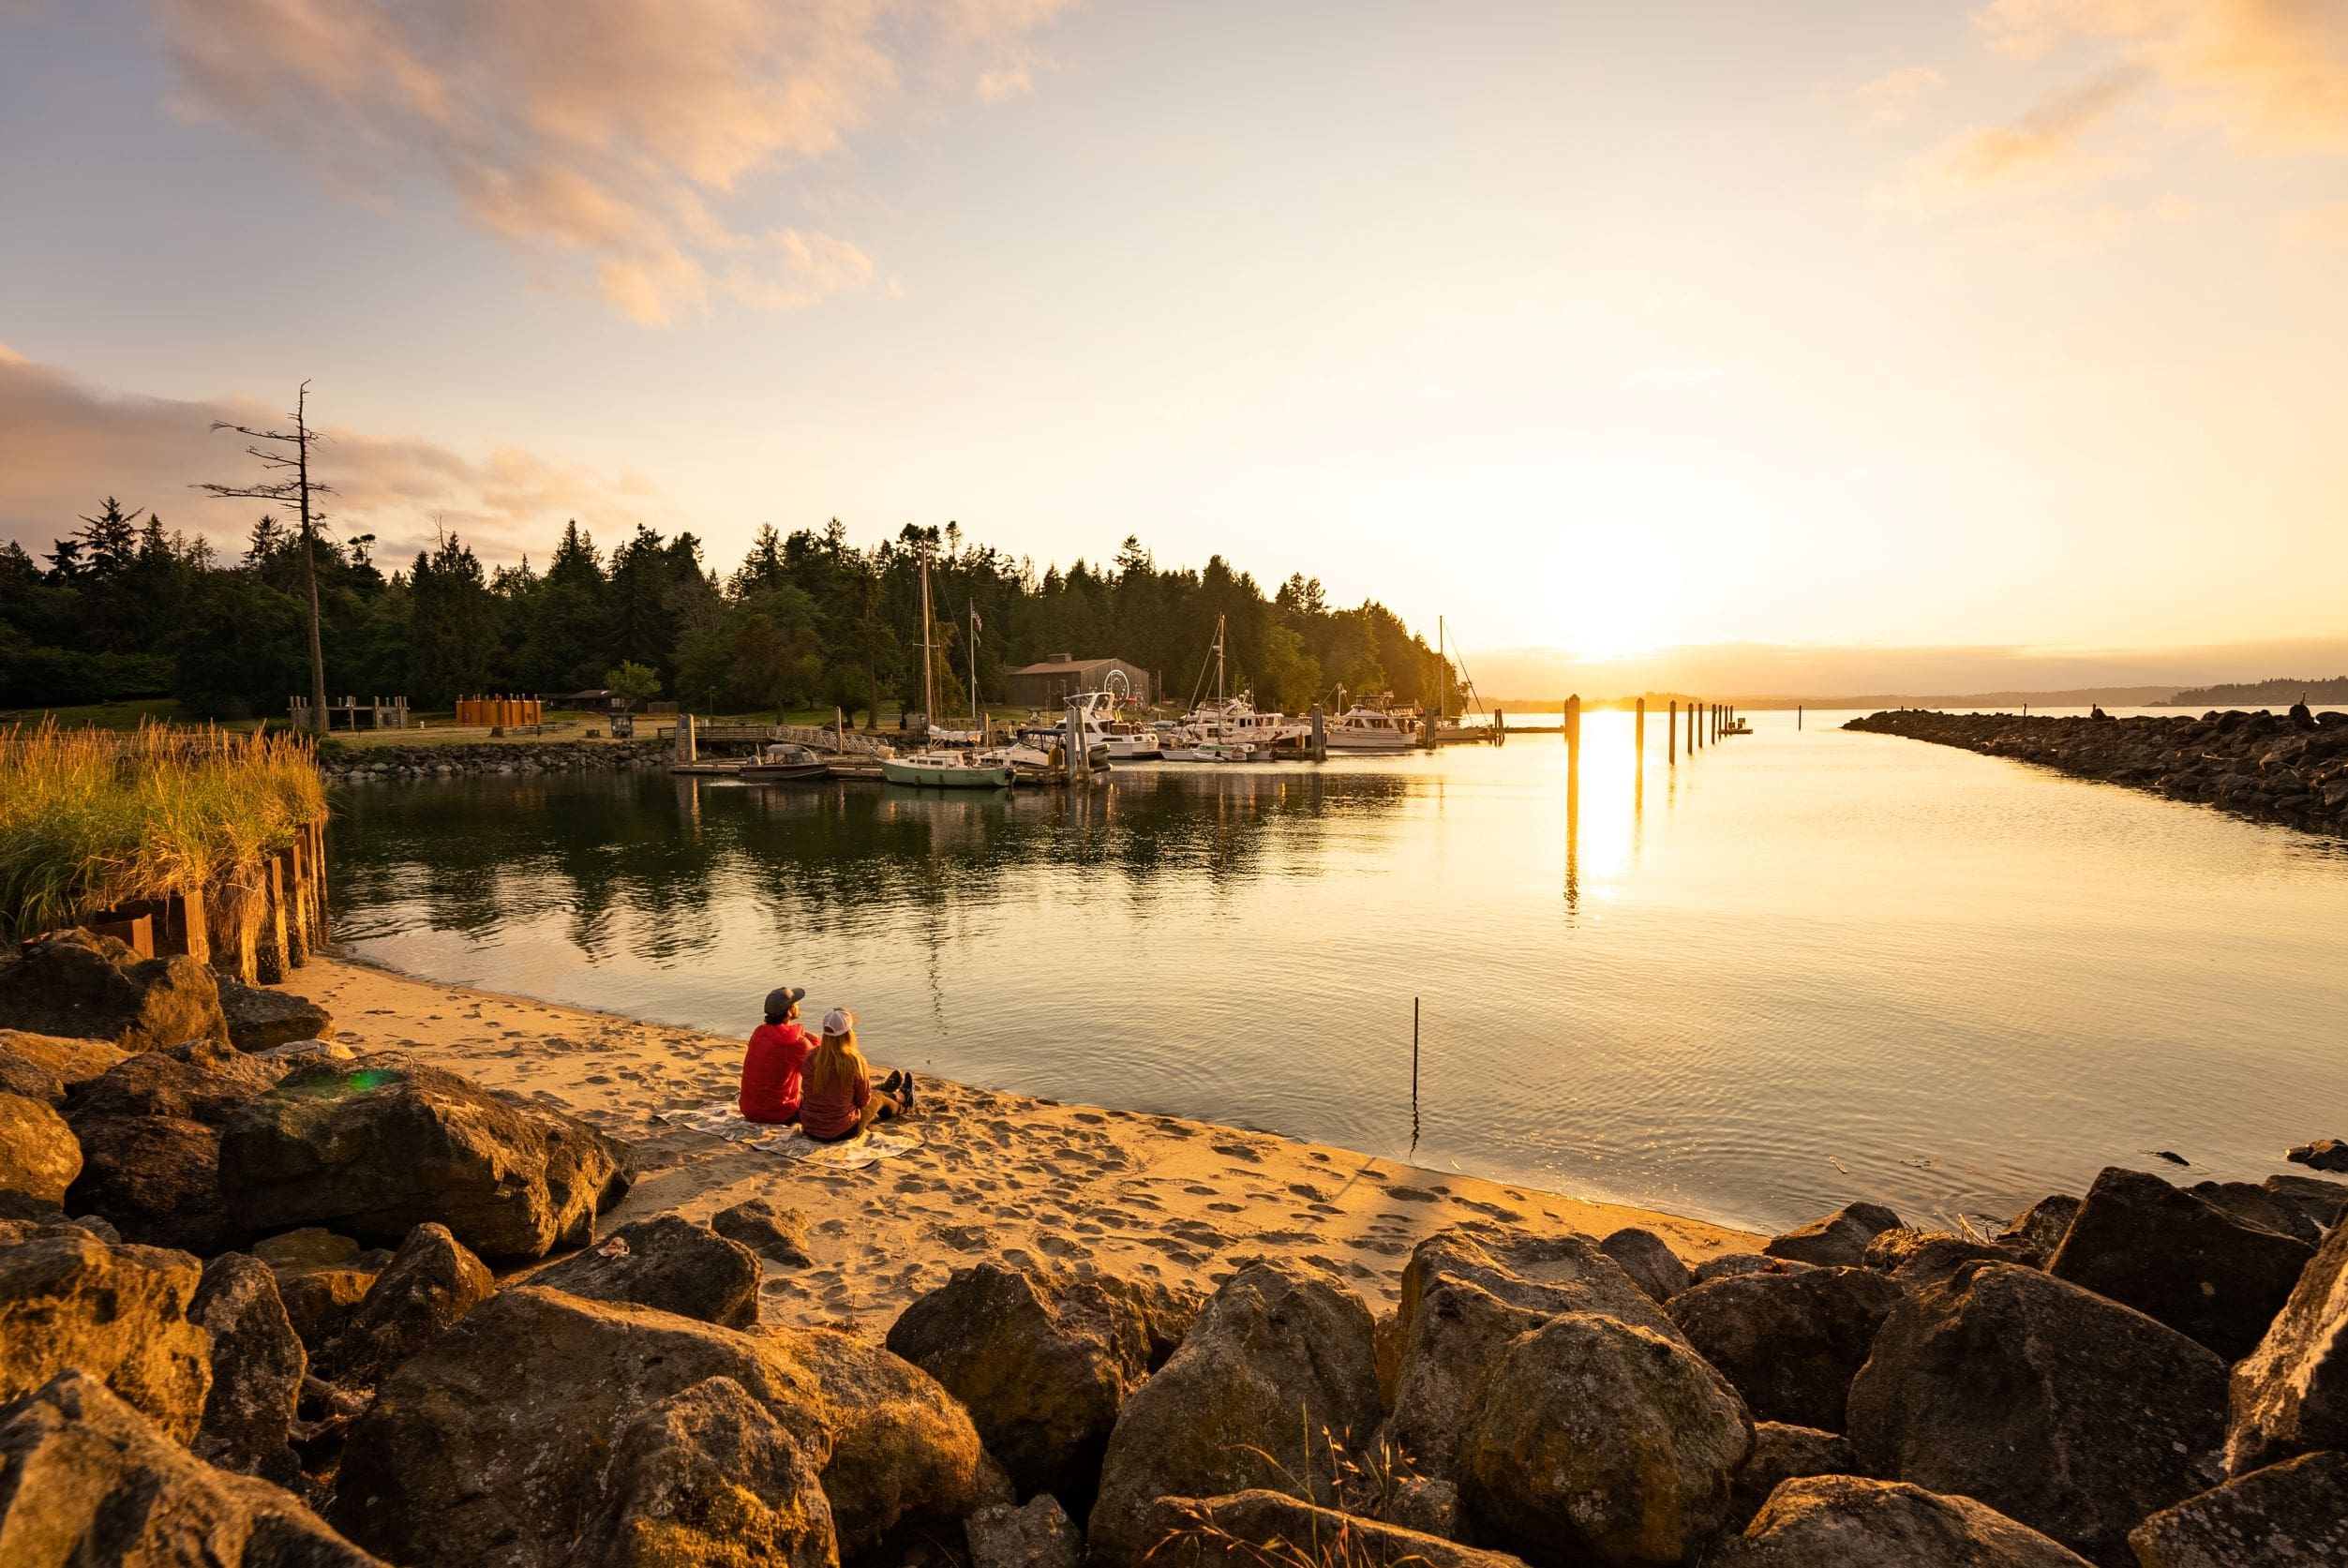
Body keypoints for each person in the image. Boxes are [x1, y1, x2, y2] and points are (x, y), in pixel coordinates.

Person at [798, 1007, 915, 1142]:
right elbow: (863, 1101)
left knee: (871, 1094)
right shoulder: (854, 1061)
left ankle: (892, 1094)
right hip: (842, 1130)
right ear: (848, 1034)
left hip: (810, 1128)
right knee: (878, 1098)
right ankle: (902, 1103)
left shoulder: (810, 1056)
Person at [739, 985, 812, 1125]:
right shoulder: (797, 1043)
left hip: (749, 1110)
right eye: (795, 1003)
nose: (798, 1005)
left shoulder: (759, 1032)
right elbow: (819, 1066)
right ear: (789, 1012)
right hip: (780, 1113)